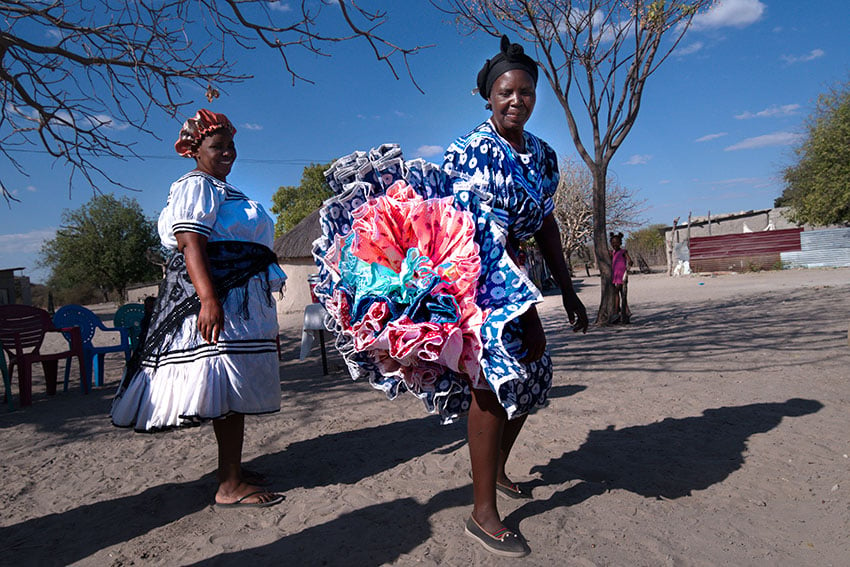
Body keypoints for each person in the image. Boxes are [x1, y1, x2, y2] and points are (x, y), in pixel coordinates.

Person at [441, 35, 588, 557]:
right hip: (478, 275)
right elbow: (464, 229)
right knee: (491, 383)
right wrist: (505, 299)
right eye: (506, 92)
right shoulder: (469, 150)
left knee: (530, 376)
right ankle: (483, 514)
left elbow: (545, 223)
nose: (516, 101)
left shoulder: (543, 156)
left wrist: (567, 289)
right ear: (489, 95)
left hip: (519, 274)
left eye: (526, 92)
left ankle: (497, 469)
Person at [111, 109, 286, 509]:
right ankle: (229, 485)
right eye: (217, 146)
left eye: (231, 145)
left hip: (237, 300)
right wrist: (208, 299)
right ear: (195, 150)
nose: (227, 152)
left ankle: (233, 471)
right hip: (220, 300)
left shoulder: (220, 188)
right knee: (225, 388)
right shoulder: (196, 185)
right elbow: (191, 242)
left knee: (230, 389)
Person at [610, 232, 634, 324]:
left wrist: (627, 269)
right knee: (621, 294)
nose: (614, 245)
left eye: (616, 243)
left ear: (620, 243)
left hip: (622, 276)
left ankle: (617, 312)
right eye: (613, 243)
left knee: (618, 293)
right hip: (615, 276)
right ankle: (626, 312)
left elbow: (630, 261)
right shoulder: (613, 253)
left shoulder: (623, 252)